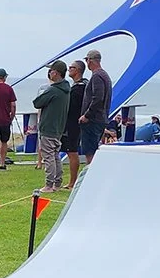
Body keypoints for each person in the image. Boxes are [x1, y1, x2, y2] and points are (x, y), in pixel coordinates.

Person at [32, 64, 70, 190]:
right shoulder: (66, 89)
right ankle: (57, 182)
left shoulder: (53, 90)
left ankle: (49, 184)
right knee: (55, 156)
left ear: (56, 73)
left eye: (51, 71)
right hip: (59, 127)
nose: (50, 74)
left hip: (48, 127)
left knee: (48, 156)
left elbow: (37, 103)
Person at [80, 49, 113, 163]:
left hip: (93, 120)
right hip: (101, 118)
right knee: (93, 149)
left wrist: (86, 115)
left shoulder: (96, 76)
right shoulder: (105, 76)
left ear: (89, 60)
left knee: (90, 152)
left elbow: (98, 98)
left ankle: (91, 175)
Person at [64, 59, 86, 187]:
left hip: (74, 122)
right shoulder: (82, 86)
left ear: (77, 70)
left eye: (71, 68)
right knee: (71, 151)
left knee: (72, 151)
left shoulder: (78, 88)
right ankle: (72, 181)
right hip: (75, 122)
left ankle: (72, 182)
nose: (69, 70)